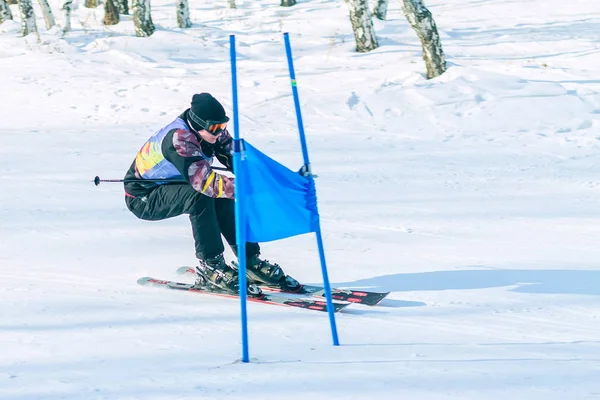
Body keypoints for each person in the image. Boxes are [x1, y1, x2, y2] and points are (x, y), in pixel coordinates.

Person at [123, 93, 300, 294]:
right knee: (203, 195)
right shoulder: (180, 138)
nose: (220, 132)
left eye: (223, 126)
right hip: (144, 197)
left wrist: (274, 179)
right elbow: (205, 183)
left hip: (178, 185)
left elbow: (238, 159)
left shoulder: (212, 131)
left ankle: (249, 260)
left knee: (222, 195)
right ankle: (212, 265)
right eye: (215, 128)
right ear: (198, 124)